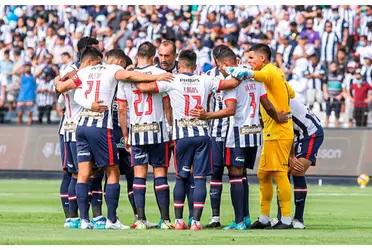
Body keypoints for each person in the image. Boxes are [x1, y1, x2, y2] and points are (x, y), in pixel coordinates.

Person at [56, 46, 173, 230]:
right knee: (113, 172)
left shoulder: (83, 71)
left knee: (83, 173)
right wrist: (157, 77)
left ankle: (84, 220)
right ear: (118, 61)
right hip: (101, 127)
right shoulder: (112, 70)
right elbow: (131, 77)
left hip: (82, 126)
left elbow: (63, 88)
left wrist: (84, 100)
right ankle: (112, 219)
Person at [135, 49, 242, 230]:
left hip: (182, 136)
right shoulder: (205, 79)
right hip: (202, 134)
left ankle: (178, 221)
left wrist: (147, 77)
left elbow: (142, 88)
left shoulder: (172, 79)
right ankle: (196, 222)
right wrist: (240, 73)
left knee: (181, 177)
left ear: (179, 63)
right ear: (195, 65)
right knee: (199, 178)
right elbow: (231, 83)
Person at [191, 47, 288, 230]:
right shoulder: (254, 75)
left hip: (235, 133)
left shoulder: (231, 81)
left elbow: (231, 110)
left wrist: (206, 116)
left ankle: (239, 222)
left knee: (235, 175)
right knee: (241, 175)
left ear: (223, 64)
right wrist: (278, 117)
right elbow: (266, 104)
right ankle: (244, 217)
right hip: (253, 134)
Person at [226, 43, 295, 229]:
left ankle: (287, 219)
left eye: (251, 58)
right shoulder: (277, 74)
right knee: (263, 174)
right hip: (272, 131)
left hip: (280, 131)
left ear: (262, 59)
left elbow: (249, 75)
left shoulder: (270, 72)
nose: (249, 62)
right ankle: (264, 218)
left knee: (280, 174)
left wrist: (229, 67)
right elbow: (291, 92)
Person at [116, 42, 173, 230]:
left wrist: (125, 135)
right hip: (158, 131)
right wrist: (171, 128)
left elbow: (122, 110)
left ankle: (140, 219)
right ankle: (165, 220)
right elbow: (166, 105)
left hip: (137, 131)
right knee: (160, 174)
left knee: (139, 175)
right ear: (154, 55)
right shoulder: (161, 74)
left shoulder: (126, 77)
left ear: (137, 54)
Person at [104, 49, 138, 227]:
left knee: (129, 174)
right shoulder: (107, 80)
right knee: (111, 173)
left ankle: (137, 217)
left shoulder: (127, 81)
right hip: (113, 132)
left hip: (123, 131)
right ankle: (109, 217)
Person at [283, 97, 324, 229]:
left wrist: (291, 156)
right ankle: (283, 218)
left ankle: (298, 219)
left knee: (297, 170)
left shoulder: (280, 99)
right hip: (298, 134)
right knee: (283, 173)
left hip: (311, 132)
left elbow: (287, 129)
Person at [323, 62, 345, 127]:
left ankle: (337, 127)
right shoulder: (327, 76)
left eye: (335, 66)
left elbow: (344, 87)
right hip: (329, 97)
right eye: (332, 66)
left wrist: (340, 95)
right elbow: (324, 85)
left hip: (337, 98)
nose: (333, 68)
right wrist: (325, 94)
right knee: (327, 113)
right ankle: (326, 126)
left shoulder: (341, 76)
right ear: (329, 67)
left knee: (337, 113)